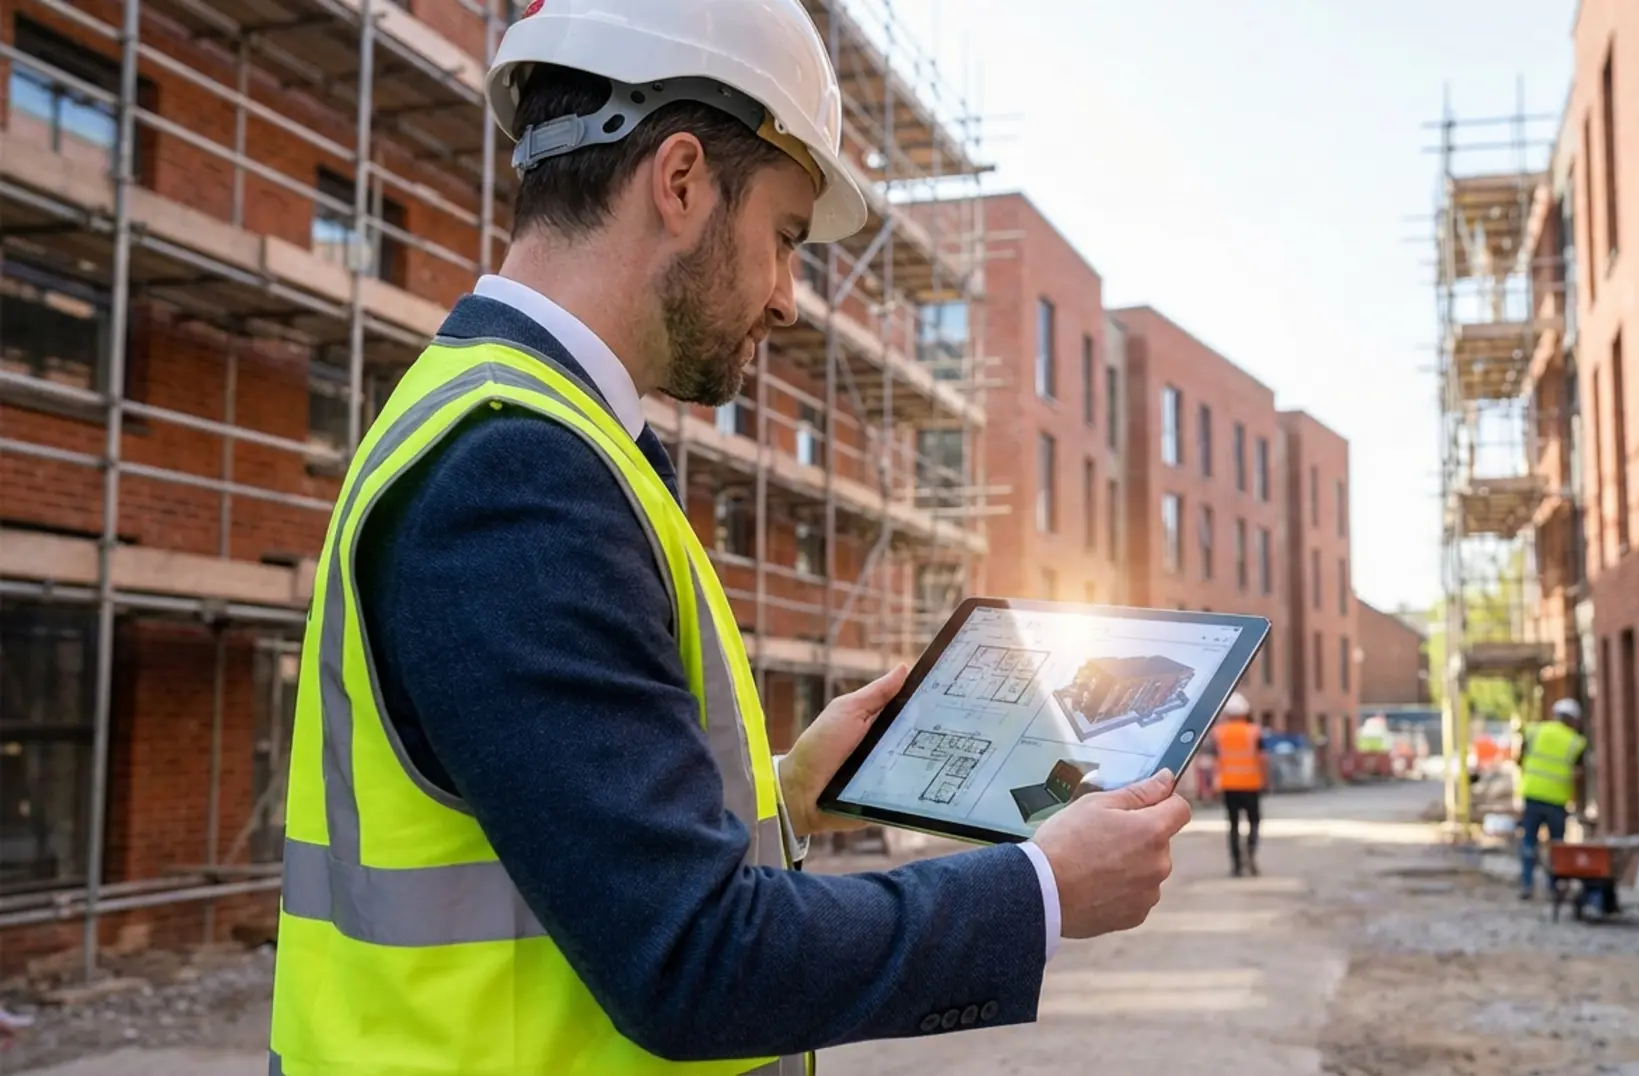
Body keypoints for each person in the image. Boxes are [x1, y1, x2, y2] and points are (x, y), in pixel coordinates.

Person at [265, 1, 1191, 1071]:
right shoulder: (518, 473)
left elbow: (561, 841)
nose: (789, 300)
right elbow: (690, 958)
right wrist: (1039, 890)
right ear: (681, 180)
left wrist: (792, 788)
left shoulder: (520, 427)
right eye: (786, 238)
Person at [1517, 697, 1589, 900]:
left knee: (1529, 842)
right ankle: (1554, 887)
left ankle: (1527, 885)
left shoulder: (1534, 731)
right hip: (1557, 801)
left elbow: (1520, 759)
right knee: (1557, 845)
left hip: (1532, 795)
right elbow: (1579, 774)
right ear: (1573, 720)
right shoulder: (1576, 742)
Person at [1209, 692, 1265, 876]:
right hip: (1251, 784)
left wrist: (1214, 784)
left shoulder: (1219, 733)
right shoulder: (1254, 731)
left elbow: (1215, 760)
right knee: (1254, 822)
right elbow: (1263, 758)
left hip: (1228, 785)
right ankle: (1250, 852)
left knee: (1233, 825)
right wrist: (1266, 780)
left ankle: (1236, 865)